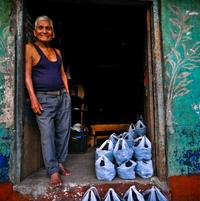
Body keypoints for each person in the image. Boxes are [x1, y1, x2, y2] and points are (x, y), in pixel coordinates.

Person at [25, 15, 71, 186]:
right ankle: (52, 171)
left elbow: (62, 74)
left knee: (63, 132)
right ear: (35, 31)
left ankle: (59, 163)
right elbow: (27, 76)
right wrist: (33, 98)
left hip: (62, 97)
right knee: (47, 135)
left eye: (48, 28)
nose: (44, 31)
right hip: (44, 98)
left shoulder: (57, 52)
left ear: (52, 32)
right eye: (41, 28)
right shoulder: (30, 49)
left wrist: (67, 94)